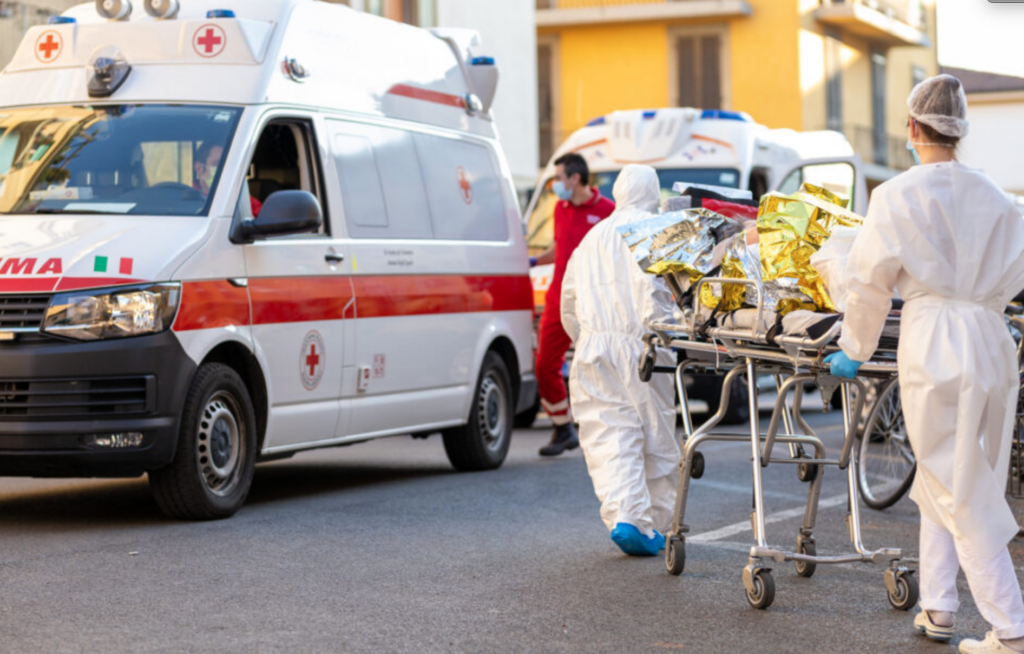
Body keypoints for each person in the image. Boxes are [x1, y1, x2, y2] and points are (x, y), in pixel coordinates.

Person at [825, 75, 1024, 654]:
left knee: (958, 484)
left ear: (912, 128)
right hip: (991, 338)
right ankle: (937, 605)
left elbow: (867, 285)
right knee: (956, 473)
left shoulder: (895, 195)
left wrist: (853, 349)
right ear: (960, 129)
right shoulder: (1000, 199)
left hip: (935, 340)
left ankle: (1010, 628)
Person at [561, 164, 679, 556]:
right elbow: (657, 294)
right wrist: (670, 335)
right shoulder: (653, 230)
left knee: (609, 435)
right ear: (652, 193)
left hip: (592, 349)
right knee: (655, 436)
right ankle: (657, 525)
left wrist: (585, 340)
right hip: (641, 347)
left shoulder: (591, 238)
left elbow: (569, 302)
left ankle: (626, 518)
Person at [533, 152, 615, 456]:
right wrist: (533, 260)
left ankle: (606, 431)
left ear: (575, 178)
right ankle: (562, 427)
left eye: (558, 177)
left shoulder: (608, 211)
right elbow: (559, 247)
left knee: (597, 366)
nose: (555, 184)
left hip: (594, 299)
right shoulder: (559, 208)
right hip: (558, 297)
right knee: (544, 365)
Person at [193, 142, 262, 217]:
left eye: (227, 164)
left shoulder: (246, 204)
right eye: (217, 164)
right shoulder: (184, 202)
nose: (225, 169)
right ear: (199, 168)